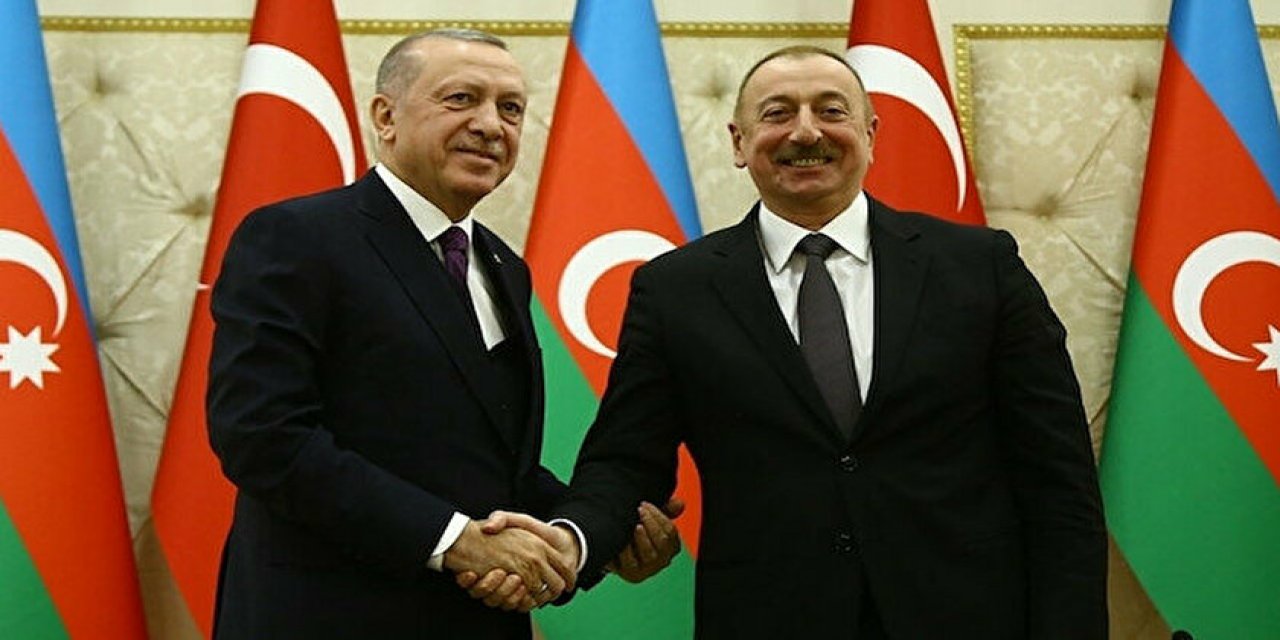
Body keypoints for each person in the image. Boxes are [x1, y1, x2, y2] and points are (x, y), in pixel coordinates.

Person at [507, 45, 1108, 638]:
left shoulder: (979, 266)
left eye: (831, 110)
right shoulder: (675, 290)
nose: (805, 132)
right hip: (769, 618)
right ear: (739, 142)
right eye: (777, 113)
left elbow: (1058, 477)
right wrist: (572, 543)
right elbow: (625, 459)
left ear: (870, 135)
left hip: (966, 616)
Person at [206, 29, 676, 639]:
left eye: (511, 109)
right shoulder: (296, 237)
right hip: (326, 616)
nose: (490, 125)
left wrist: (592, 538)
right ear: (386, 116)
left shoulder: (505, 267)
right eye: (461, 99)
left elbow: (486, 463)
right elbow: (264, 437)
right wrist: (454, 541)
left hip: (476, 621)